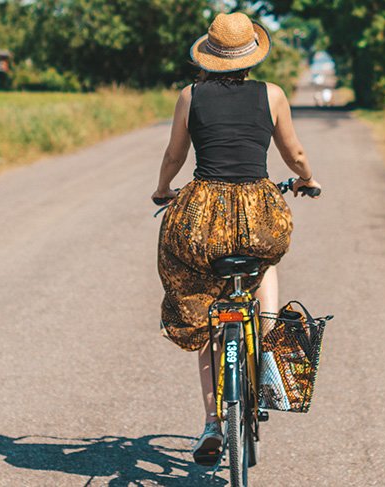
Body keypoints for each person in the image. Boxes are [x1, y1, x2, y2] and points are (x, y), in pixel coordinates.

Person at [150, 12, 322, 466]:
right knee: (264, 260)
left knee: (204, 298)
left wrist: (162, 189)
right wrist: (306, 177)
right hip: (259, 211)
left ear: (210, 56)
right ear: (250, 55)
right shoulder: (273, 94)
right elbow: (295, 153)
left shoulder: (190, 96)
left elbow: (174, 154)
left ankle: (212, 423)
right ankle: (265, 347)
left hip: (201, 215)